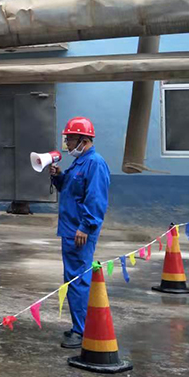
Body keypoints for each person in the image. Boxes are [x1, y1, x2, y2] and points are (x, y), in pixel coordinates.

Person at [48, 116, 110, 350]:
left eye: (70, 139)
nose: (67, 144)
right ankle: (79, 325)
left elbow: (96, 198)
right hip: (71, 229)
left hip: (80, 231)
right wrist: (58, 176)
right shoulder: (79, 162)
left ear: (83, 140)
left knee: (78, 281)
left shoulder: (95, 163)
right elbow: (71, 190)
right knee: (73, 279)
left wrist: (86, 226)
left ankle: (82, 330)